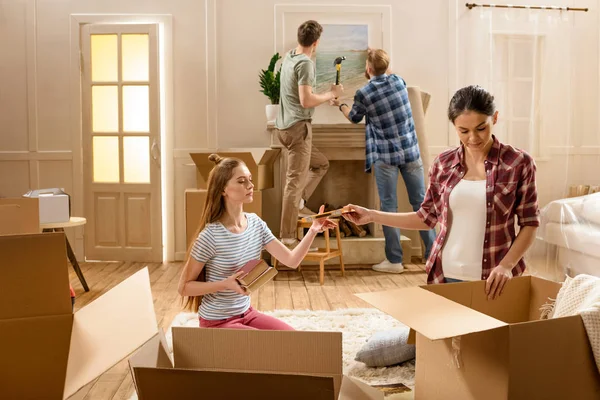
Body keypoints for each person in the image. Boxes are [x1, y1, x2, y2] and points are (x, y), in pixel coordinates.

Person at [343, 85, 540, 300]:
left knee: (493, 334)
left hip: (496, 279)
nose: (473, 138)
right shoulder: (443, 164)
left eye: (481, 128)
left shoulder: (518, 163)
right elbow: (426, 218)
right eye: (463, 131)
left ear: (495, 118)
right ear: (454, 126)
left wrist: (506, 266)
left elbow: (529, 223)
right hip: (445, 275)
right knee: (448, 335)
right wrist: (372, 215)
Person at [178, 154, 336, 330]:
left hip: (247, 313)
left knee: (293, 338)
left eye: (250, 180)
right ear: (223, 189)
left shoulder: (256, 224)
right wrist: (224, 284)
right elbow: (184, 287)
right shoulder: (210, 236)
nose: (250, 185)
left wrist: (313, 229)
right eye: (241, 181)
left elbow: (292, 260)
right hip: (217, 321)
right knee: (262, 346)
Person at [329, 48, 435, 274]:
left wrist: (340, 104)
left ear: (367, 69)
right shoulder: (398, 81)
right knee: (422, 205)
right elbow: (386, 71)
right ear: (387, 67)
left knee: (388, 206)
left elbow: (354, 118)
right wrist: (377, 57)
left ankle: (394, 261)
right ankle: (433, 257)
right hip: (410, 152)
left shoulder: (364, 93)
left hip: (385, 156)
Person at [275, 20, 343, 248]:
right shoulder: (305, 63)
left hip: (284, 128)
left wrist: (325, 95)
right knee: (293, 183)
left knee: (321, 164)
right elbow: (306, 100)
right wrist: (330, 94)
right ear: (316, 42)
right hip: (298, 128)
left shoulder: (289, 57)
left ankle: (299, 203)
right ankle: (287, 238)